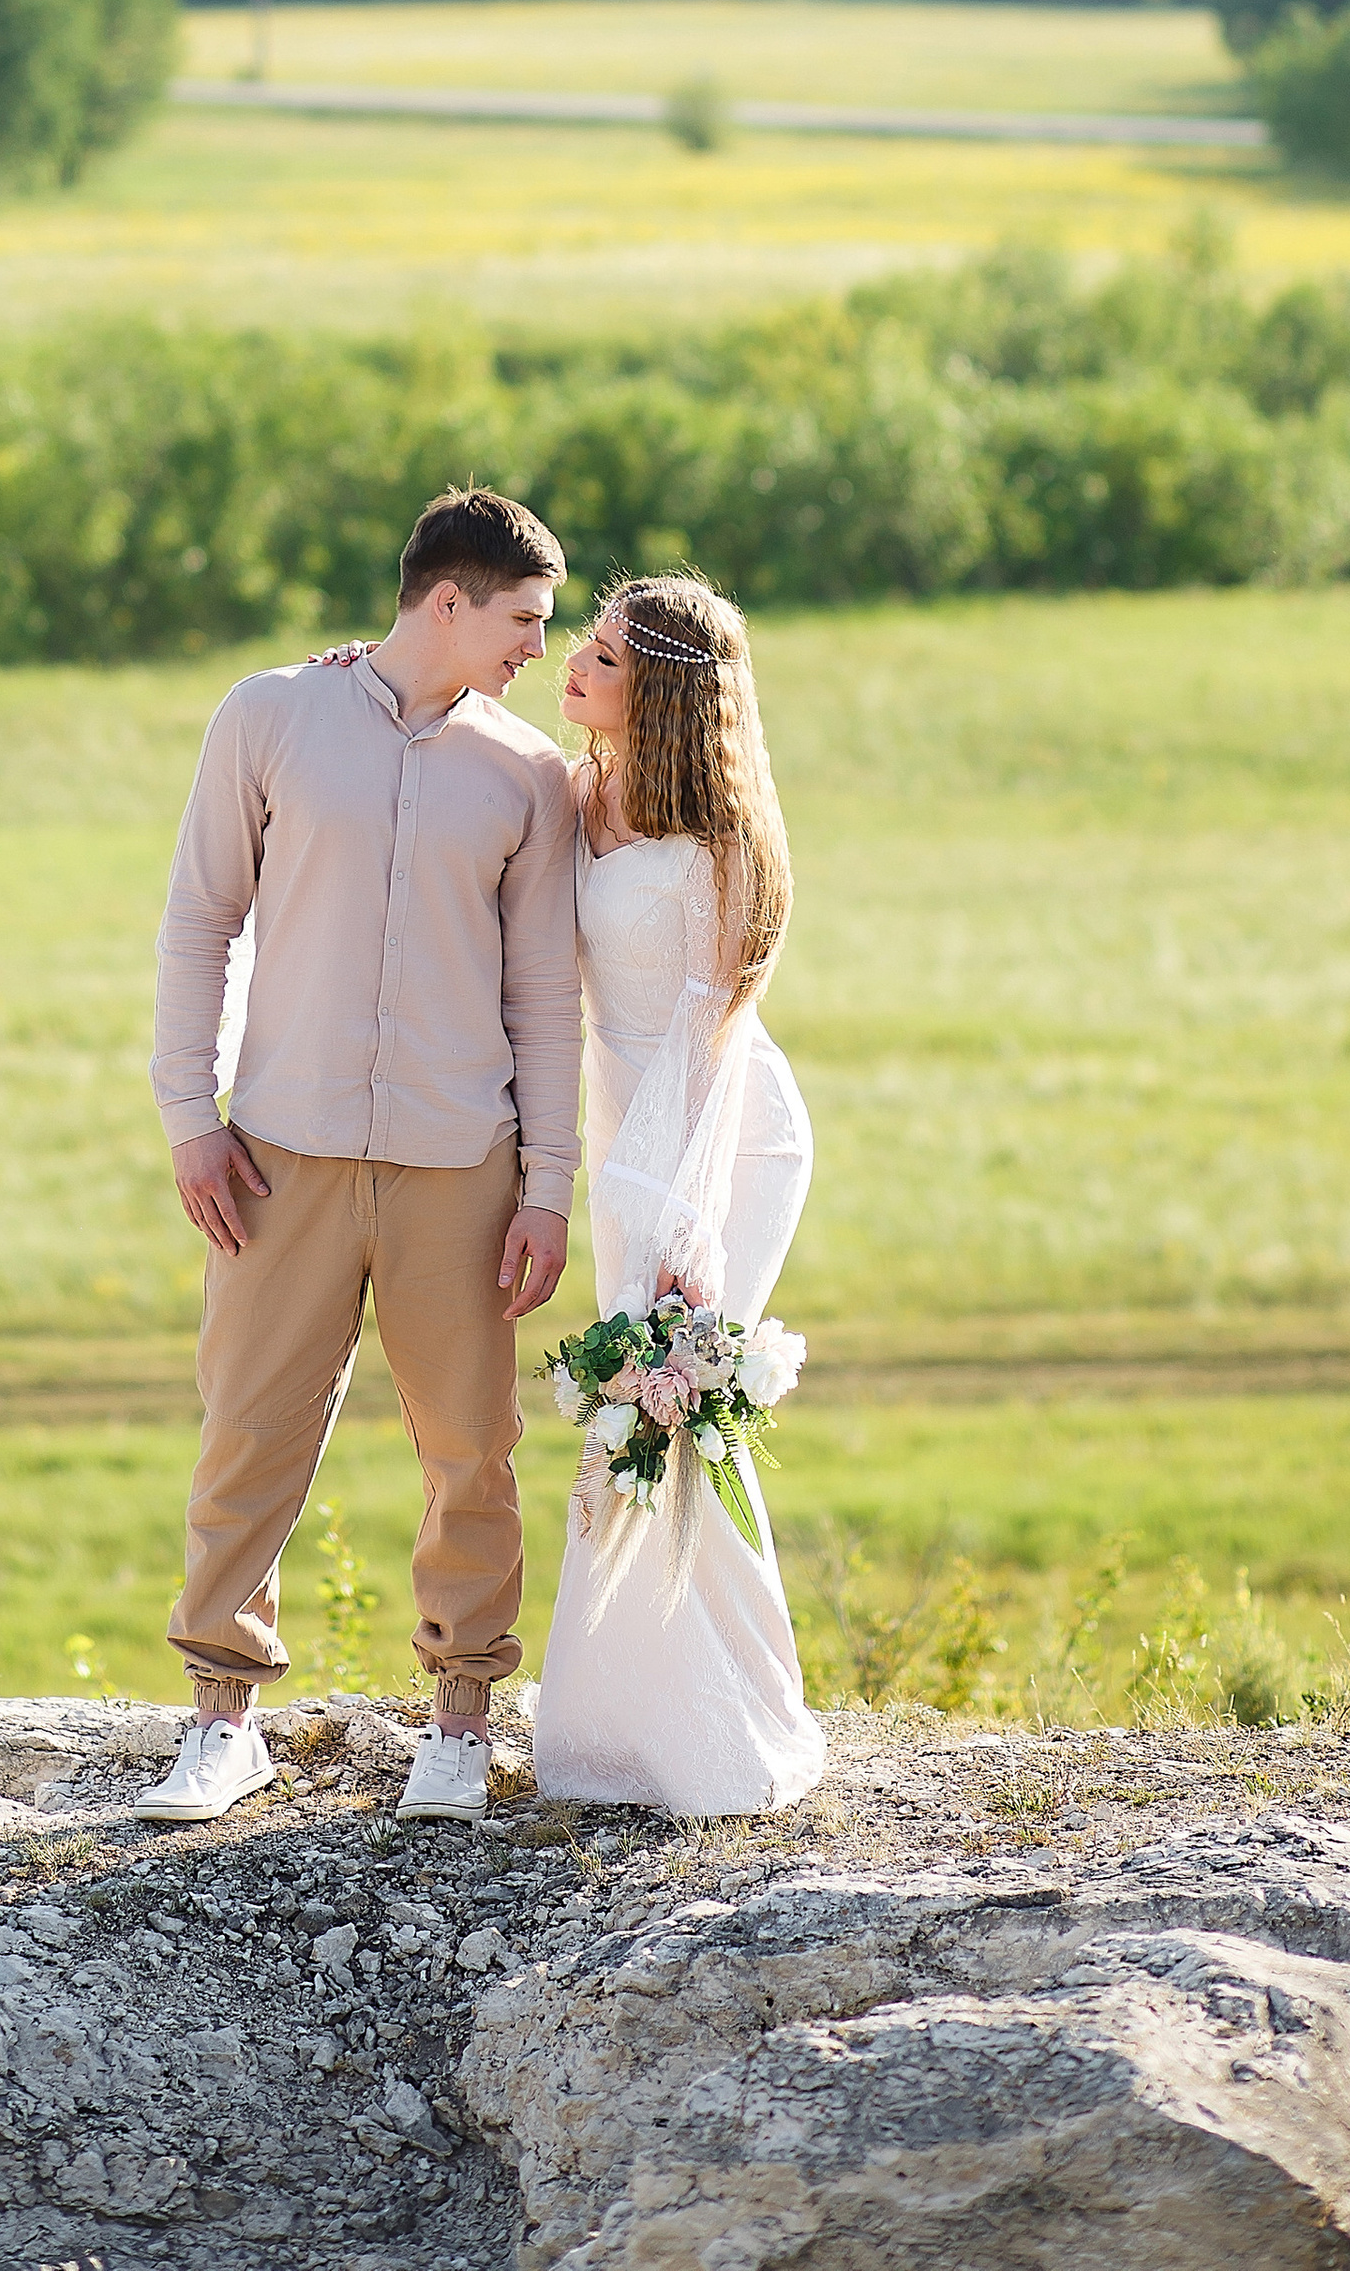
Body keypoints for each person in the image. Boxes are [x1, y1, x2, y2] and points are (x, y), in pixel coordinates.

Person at [139, 487, 582, 1828]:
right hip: (282, 1154)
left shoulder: (530, 775)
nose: (539, 648)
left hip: (462, 1166)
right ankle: (223, 1722)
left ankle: (460, 1725)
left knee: (472, 1451)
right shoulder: (268, 716)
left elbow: (544, 997)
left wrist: (547, 1188)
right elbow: (200, 920)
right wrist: (189, 1113)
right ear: (447, 601)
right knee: (248, 1433)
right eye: (524, 620)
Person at [533, 572, 826, 1815]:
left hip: (721, 1140)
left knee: (684, 1404)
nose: (574, 664)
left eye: (604, 657)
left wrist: (683, 1224)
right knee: (632, 1409)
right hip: (625, 1132)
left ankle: (727, 1724)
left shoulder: (723, 843)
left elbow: (709, 1042)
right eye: (584, 643)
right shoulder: (577, 789)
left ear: (657, 693)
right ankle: (614, 1725)